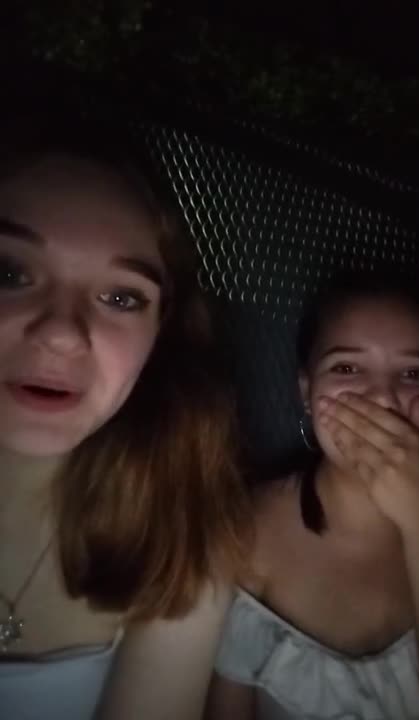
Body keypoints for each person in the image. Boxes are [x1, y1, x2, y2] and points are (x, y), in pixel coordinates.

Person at [0, 111, 251, 719]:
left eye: (121, 297)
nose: (62, 333)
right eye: (10, 273)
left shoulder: (182, 527)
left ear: (159, 337)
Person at [206, 272, 419, 720]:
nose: (383, 399)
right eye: (346, 368)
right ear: (306, 391)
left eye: (415, 373)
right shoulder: (243, 531)